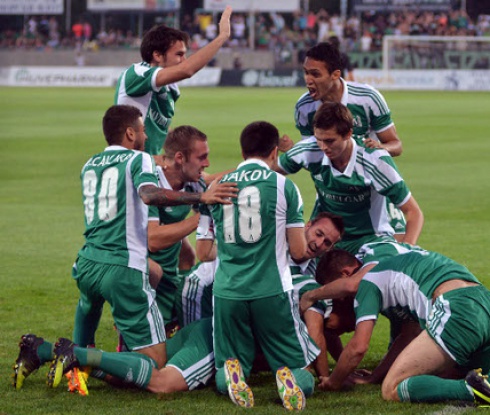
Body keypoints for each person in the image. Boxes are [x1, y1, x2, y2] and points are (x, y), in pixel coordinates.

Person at [57, 105, 237, 376]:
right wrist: (201, 200)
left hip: (87, 261)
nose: (146, 136)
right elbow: (150, 195)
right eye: (142, 130)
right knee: (155, 364)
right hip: (122, 267)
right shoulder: (139, 160)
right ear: (130, 133)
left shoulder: (90, 164)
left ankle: (78, 360)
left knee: (89, 304)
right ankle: (69, 354)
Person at [196, 121, 319, 411]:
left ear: (242, 152)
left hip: (228, 292)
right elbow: (299, 251)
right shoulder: (284, 187)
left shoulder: (215, 188)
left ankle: (233, 376)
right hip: (272, 290)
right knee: (301, 371)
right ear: (274, 152)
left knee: (228, 365)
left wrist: (232, 247)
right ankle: (288, 377)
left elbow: (203, 252)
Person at [312, 247, 490, 408]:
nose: (340, 299)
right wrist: (374, 376)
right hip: (483, 301)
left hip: (456, 309)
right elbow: (409, 334)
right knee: (453, 374)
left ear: (345, 274)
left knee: (392, 388)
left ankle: (471, 390)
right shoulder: (393, 263)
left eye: (336, 292)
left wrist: (333, 382)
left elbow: (358, 347)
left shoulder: (367, 280)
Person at [279, 41, 405, 239]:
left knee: (395, 245)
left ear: (335, 74)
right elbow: (315, 157)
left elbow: (396, 145)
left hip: (372, 191)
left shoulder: (368, 98)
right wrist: (294, 150)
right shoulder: (304, 107)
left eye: (315, 74)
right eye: (306, 73)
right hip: (332, 194)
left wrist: (380, 149)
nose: (308, 80)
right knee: (316, 249)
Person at [277, 101, 424, 255]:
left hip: (370, 239)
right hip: (325, 239)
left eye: (330, 141)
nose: (323, 147)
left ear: (348, 134)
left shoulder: (374, 160)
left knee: (375, 268)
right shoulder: (309, 150)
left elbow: (414, 212)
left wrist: (407, 250)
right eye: (318, 139)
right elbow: (266, 172)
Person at [114, 6, 232, 155]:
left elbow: (159, 128)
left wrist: (181, 143)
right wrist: (222, 37)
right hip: (129, 162)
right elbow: (187, 70)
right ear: (157, 55)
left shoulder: (171, 87)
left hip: (149, 163)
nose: (184, 60)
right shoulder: (137, 73)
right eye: (179, 54)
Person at [12, 318, 215, 396]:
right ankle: (76, 353)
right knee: (163, 383)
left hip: (204, 325)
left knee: (142, 369)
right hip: (213, 337)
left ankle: (42, 350)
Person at [147, 125, 209, 333]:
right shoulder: (149, 183)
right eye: (202, 157)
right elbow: (153, 240)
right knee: (148, 346)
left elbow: (215, 181)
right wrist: (202, 216)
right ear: (180, 158)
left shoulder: (193, 183)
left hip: (169, 274)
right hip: (141, 273)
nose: (207, 164)